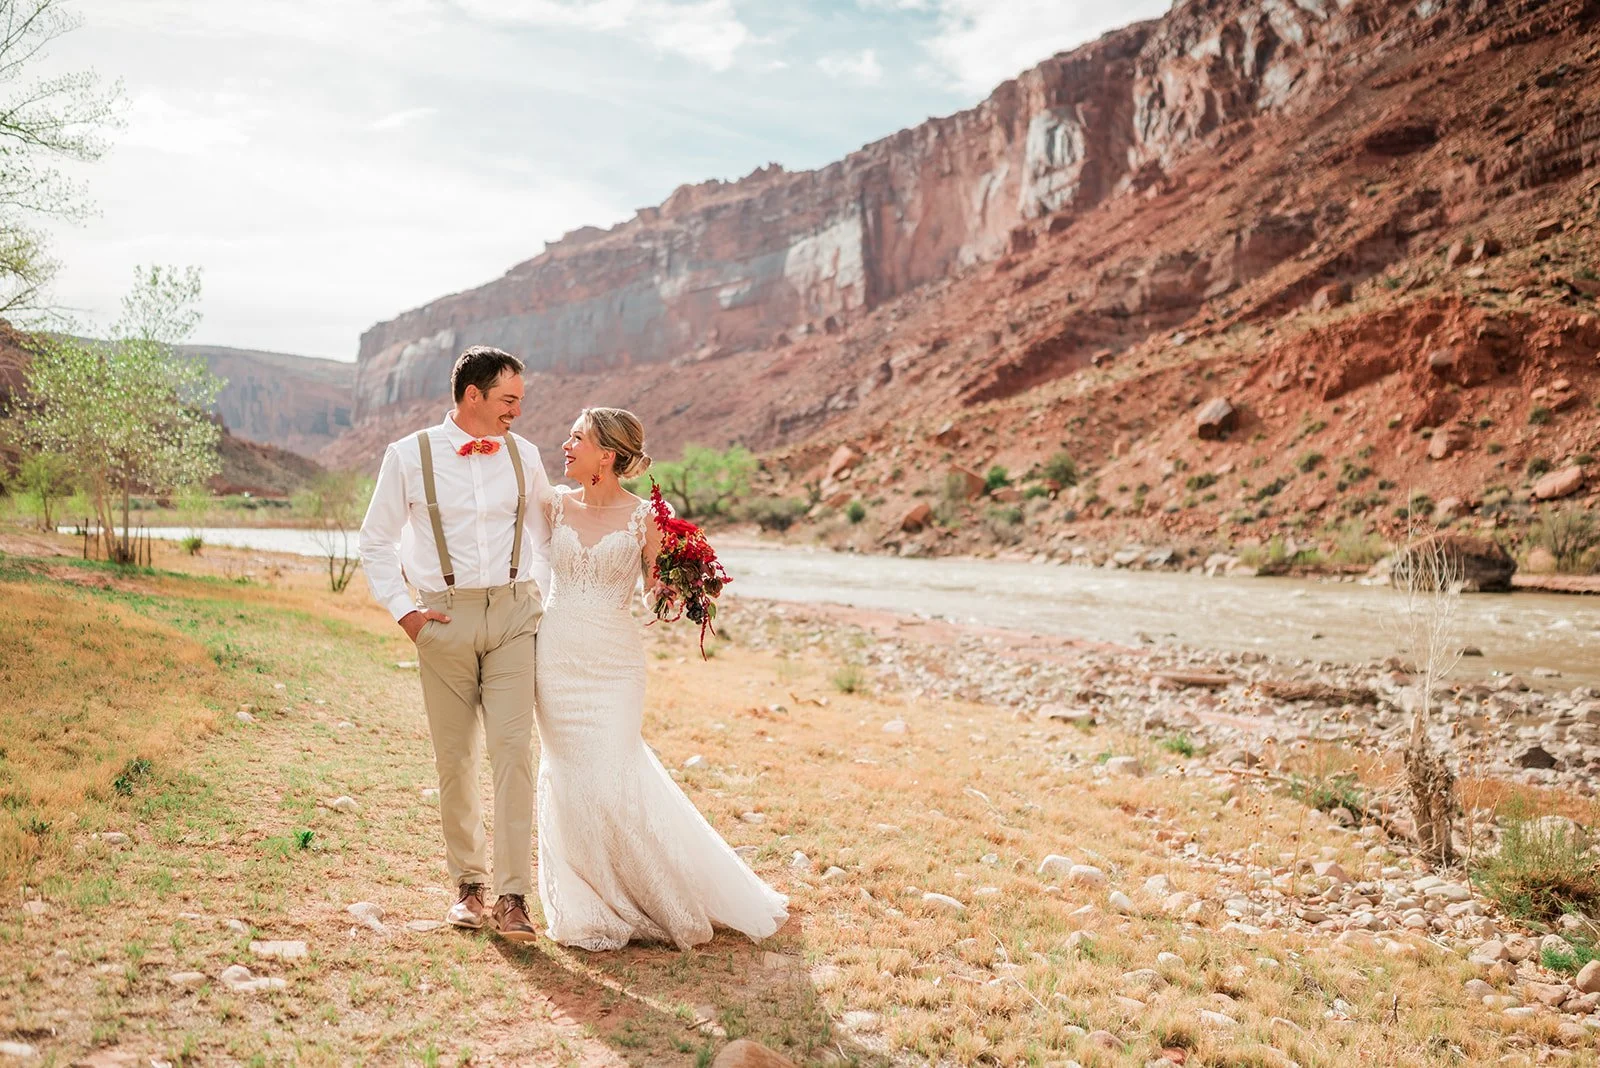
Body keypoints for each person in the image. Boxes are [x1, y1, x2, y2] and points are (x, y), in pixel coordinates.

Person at [534, 407, 788, 950]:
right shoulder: (551, 504)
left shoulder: (646, 517)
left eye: (576, 438)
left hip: (614, 665)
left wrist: (683, 581)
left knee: (613, 772)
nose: (565, 445)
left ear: (606, 454)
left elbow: (657, 594)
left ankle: (651, 893)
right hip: (554, 659)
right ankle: (587, 898)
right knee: (570, 779)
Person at [357, 346, 552, 943]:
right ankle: (469, 887)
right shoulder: (408, 456)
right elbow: (376, 541)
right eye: (508, 399)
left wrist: (542, 595)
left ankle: (514, 896)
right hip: (442, 619)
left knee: (514, 752)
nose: (517, 411)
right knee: (456, 757)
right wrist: (407, 616)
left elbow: (550, 532)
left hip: (514, 615)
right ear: (473, 395)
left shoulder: (526, 455)